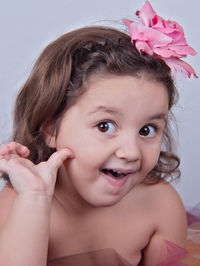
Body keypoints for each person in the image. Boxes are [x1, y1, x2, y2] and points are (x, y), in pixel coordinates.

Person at [0, 2, 197, 265]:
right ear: (50, 128)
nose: (130, 151)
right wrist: (34, 199)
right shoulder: (18, 204)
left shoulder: (159, 205)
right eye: (105, 126)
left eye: (147, 130)